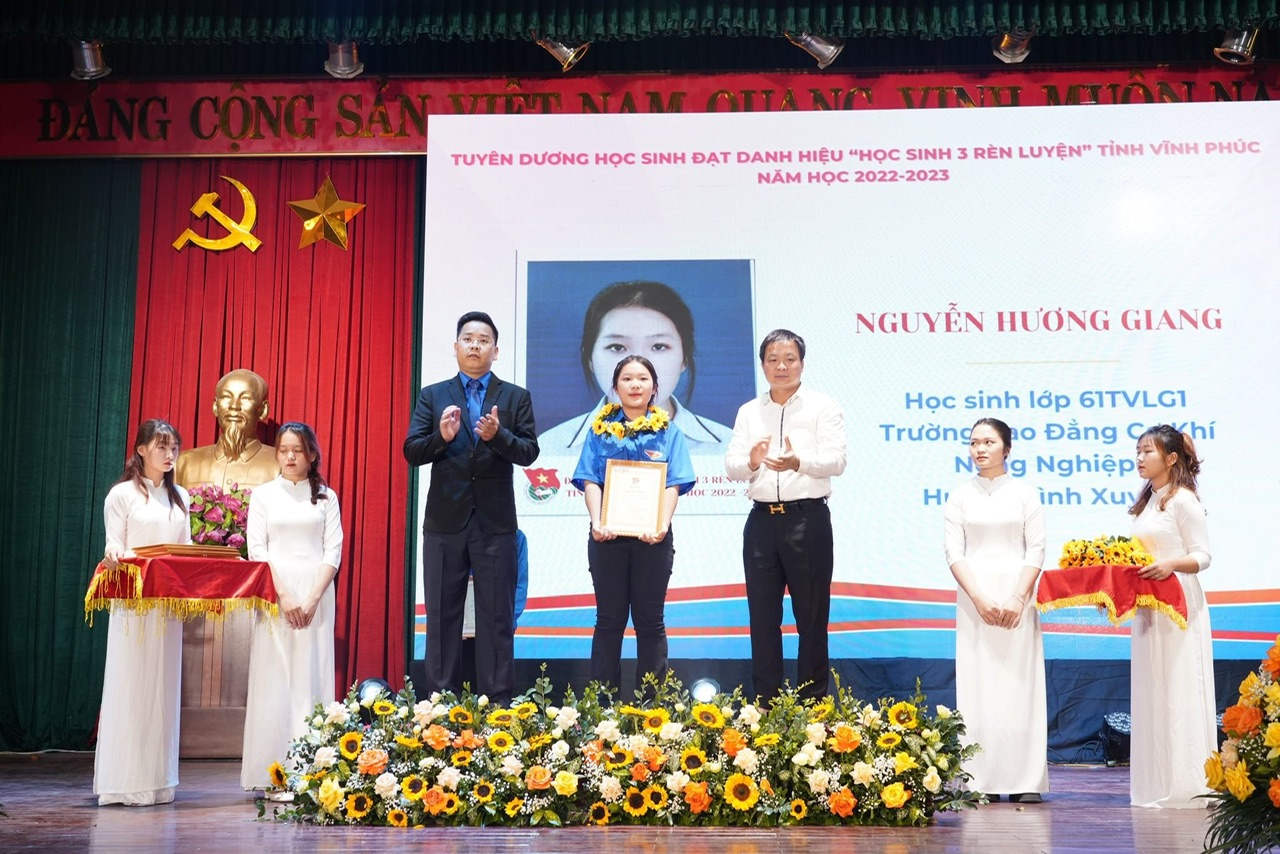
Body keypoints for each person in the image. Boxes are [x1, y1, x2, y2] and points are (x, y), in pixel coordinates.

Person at [403, 311, 539, 705]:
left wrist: (499, 436)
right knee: (442, 615)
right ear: (456, 347)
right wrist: (441, 438)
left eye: (483, 340)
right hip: (445, 523)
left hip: (496, 523)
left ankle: (497, 704)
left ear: (495, 351)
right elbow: (412, 451)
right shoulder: (433, 395)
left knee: (496, 617)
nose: (475, 345)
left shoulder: (515, 396)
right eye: (468, 339)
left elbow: (529, 452)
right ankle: (439, 703)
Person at [724, 329, 847, 702]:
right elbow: (732, 467)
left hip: (807, 519)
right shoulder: (749, 411)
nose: (781, 366)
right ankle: (766, 703)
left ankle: (813, 706)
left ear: (802, 364)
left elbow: (837, 460)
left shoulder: (823, 407)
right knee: (762, 618)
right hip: (761, 522)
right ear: (762, 365)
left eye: (789, 359)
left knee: (811, 618)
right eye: (773, 360)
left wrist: (799, 461)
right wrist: (752, 461)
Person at [572, 355, 696, 691]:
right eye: (627, 379)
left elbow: (673, 484)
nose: (635, 385)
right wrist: (597, 521)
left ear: (654, 387)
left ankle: (650, 706)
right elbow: (590, 479)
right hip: (606, 538)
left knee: (650, 622)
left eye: (642, 379)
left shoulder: (669, 433)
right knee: (608, 621)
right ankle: (602, 705)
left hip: (653, 540)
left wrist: (662, 524)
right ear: (615, 387)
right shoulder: (598, 431)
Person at [943, 417, 1049, 803]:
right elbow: (954, 552)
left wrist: (1018, 597)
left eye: (988, 442)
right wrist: (978, 598)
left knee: (1020, 684)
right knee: (979, 684)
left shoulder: (1025, 494)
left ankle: (1025, 781)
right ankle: (978, 777)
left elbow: (1036, 548)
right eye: (974, 443)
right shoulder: (959, 496)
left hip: (1018, 597)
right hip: (975, 599)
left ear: (1007, 448)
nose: (980, 449)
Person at [240, 422, 343, 792]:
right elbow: (258, 550)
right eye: (283, 450)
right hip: (275, 594)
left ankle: (312, 772)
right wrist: (283, 595)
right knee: (275, 679)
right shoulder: (264, 496)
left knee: (311, 676)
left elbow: (333, 551)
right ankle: (271, 772)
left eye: (297, 450)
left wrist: (312, 598)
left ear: (311, 454)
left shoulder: (326, 497)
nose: (289, 457)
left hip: (316, 595)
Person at [94, 419, 191, 806]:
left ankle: (158, 780)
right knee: (131, 685)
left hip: (167, 605)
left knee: (163, 689)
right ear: (141, 450)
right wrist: (113, 553)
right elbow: (114, 543)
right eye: (161, 447)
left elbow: (184, 549)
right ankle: (122, 782)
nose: (169, 455)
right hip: (134, 603)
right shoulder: (122, 495)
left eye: (173, 448)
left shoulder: (180, 496)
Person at [1127, 424, 1214, 809]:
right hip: (1150, 606)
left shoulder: (1183, 500)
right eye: (1138, 451)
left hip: (1178, 603)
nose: (1140, 458)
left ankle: (1187, 783)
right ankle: (1156, 781)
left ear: (1171, 458)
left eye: (1148, 451)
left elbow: (1203, 556)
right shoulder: (1149, 500)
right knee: (1154, 690)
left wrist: (1171, 564)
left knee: (1179, 687)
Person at [538, 281, 732, 453]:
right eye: (617, 347)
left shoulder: (728, 447)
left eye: (658, 346)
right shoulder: (550, 448)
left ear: (684, 359)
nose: (637, 366)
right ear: (590, 358)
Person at [175, 368, 279, 490]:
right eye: (226, 396)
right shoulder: (183, 463)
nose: (234, 406)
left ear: (263, 410)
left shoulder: (280, 465)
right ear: (215, 406)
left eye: (245, 398)